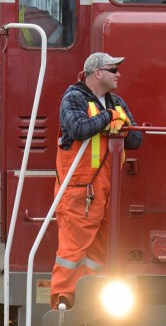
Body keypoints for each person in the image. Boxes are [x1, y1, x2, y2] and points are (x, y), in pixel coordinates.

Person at [51, 52, 144, 308]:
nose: (119, 74)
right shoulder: (73, 98)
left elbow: (136, 140)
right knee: (71, 251)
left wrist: (122, 125)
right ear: (97, 73)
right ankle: (63, 303)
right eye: (113, 70)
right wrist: (110, 119)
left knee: (98, 251)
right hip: (78, 190)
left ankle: (93, 302)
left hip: (105, 190)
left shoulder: (117, 102)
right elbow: (78, 129)